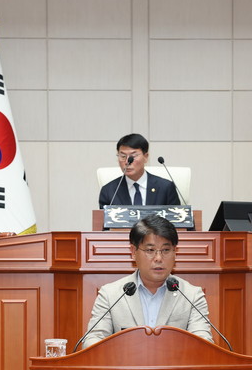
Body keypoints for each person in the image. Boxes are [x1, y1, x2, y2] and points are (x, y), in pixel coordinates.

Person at [80, 215, 213, 349]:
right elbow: (92, 340)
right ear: (133, 252)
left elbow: (204, 344)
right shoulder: (110, 295)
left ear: (175, 252)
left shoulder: (192, 296)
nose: (158, 258)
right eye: (150, 250)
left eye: (166, 250)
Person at [98, 133, 181, 208]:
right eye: (123, 156)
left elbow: (176, 218)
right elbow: (103, 219)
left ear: (146, 157)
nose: (127, 162)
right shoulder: (109, 191)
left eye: (133, 156)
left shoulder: (166, 188)